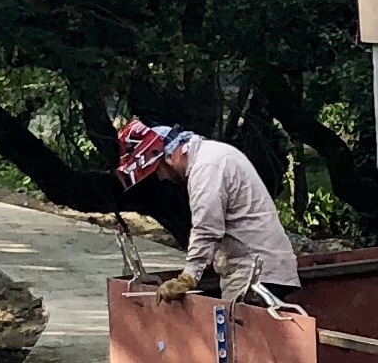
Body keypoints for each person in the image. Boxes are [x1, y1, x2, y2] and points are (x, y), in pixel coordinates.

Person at [116, 117, 300, 303]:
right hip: (257, 269)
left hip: (257, 273)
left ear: (169, 156)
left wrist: (188, 277)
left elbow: (206, 229)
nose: (162, 177)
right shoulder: (210, 157)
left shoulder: (207, 168)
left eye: (158, 170)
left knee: (234, 322)